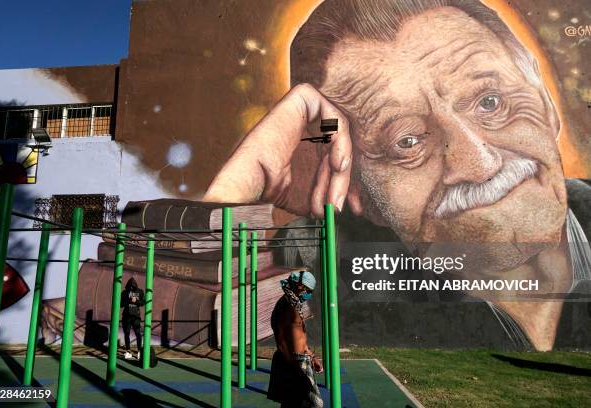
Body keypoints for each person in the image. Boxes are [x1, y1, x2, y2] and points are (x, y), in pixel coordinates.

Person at [204, 0, 591, 351]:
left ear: (545, 101)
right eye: (406, 141)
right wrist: (239, 186)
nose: (480, 163)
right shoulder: (315, 261)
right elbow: (170, 331)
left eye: (491, 102)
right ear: (357, 191)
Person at [268, 270, 323, 408]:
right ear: (300, 287)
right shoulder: (286, 307)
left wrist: (312, 356)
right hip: (294, 363)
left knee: (293, 403)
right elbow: (282, 341)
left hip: (299, 361)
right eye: (308, 290)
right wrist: (296, 368)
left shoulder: (293, 305)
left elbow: (299, 339)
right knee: (312, 404)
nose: (309, 294)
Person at [121, 277, 144, 360]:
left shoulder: (140, 291)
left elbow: (142, 303)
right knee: (126, 333)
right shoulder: (124, 292)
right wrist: (129, 300)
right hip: (126, 316)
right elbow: (121, 304)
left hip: (136, 316)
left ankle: (139, 351)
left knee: (138, 333)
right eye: (130, 285)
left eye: (133, 285)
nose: (132, 287)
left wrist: (136, 301)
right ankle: (128, 351)